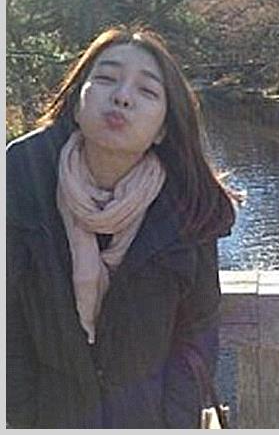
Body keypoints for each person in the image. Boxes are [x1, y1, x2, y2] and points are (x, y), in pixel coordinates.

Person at [6, 25, 236, 428]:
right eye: (106, 78)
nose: (122, 96)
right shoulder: (23, 185)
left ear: (163, 128)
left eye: (147, 91)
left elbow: (196, 337)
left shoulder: (188, 207)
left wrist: (173, 423)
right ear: (77, 104)